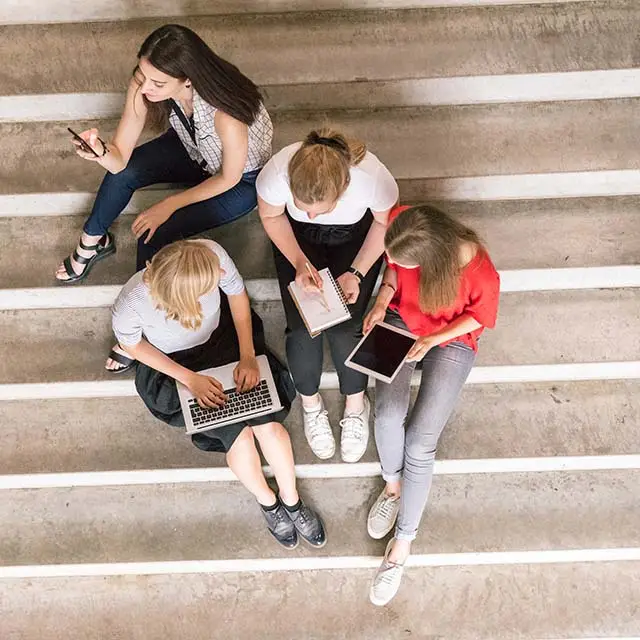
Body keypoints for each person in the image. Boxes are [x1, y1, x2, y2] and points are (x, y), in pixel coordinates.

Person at [56, 24, 273, 370]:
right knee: (124, 174)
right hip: (193, 148)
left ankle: (137, 329)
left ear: (187, 80)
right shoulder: (146, 84)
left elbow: (228, 177)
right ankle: (91, 241)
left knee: (157, 229)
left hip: (237, 180)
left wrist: (168, 203)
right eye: (143, 76)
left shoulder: (225, 113)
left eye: (158, 84)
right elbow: (120, 157)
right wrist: (100, 152)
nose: (147, 88)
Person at [111, 239, 326, 549]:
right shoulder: (131, 304)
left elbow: (236, 292)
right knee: (239, 437)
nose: (221, 274)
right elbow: (134, 345)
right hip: (178, 364)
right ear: (187, 298)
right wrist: (188, 379)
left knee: (271, 429)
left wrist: (248, 355)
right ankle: (269, 503)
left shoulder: (210, 253)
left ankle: (292, 502)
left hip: (222, 343)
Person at [363, 204, 500, 606]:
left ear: (433, 260)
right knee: (387, 413)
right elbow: (393, 266)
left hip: (452, 335)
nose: (390, 261)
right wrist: (383, 297)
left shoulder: (478, 271)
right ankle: (393, 487)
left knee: (420, 443)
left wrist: (435, 340)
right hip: (402, 319)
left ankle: (402, 546)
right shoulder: (405, 221)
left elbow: (479, 317)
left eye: (402, 260)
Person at [256, 128, 399, 463]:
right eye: (304, 206)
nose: (312, 213)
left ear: (344, 188)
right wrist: (299, 262)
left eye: (320, 208)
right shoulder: (275, 175)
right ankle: (310, 403)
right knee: (303, 326)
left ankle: (355, 403)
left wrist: (358, 272)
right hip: (297, 238)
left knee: (347, 326)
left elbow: (384, 226)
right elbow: (271, 215)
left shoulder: (372, 179)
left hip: (354, 238)